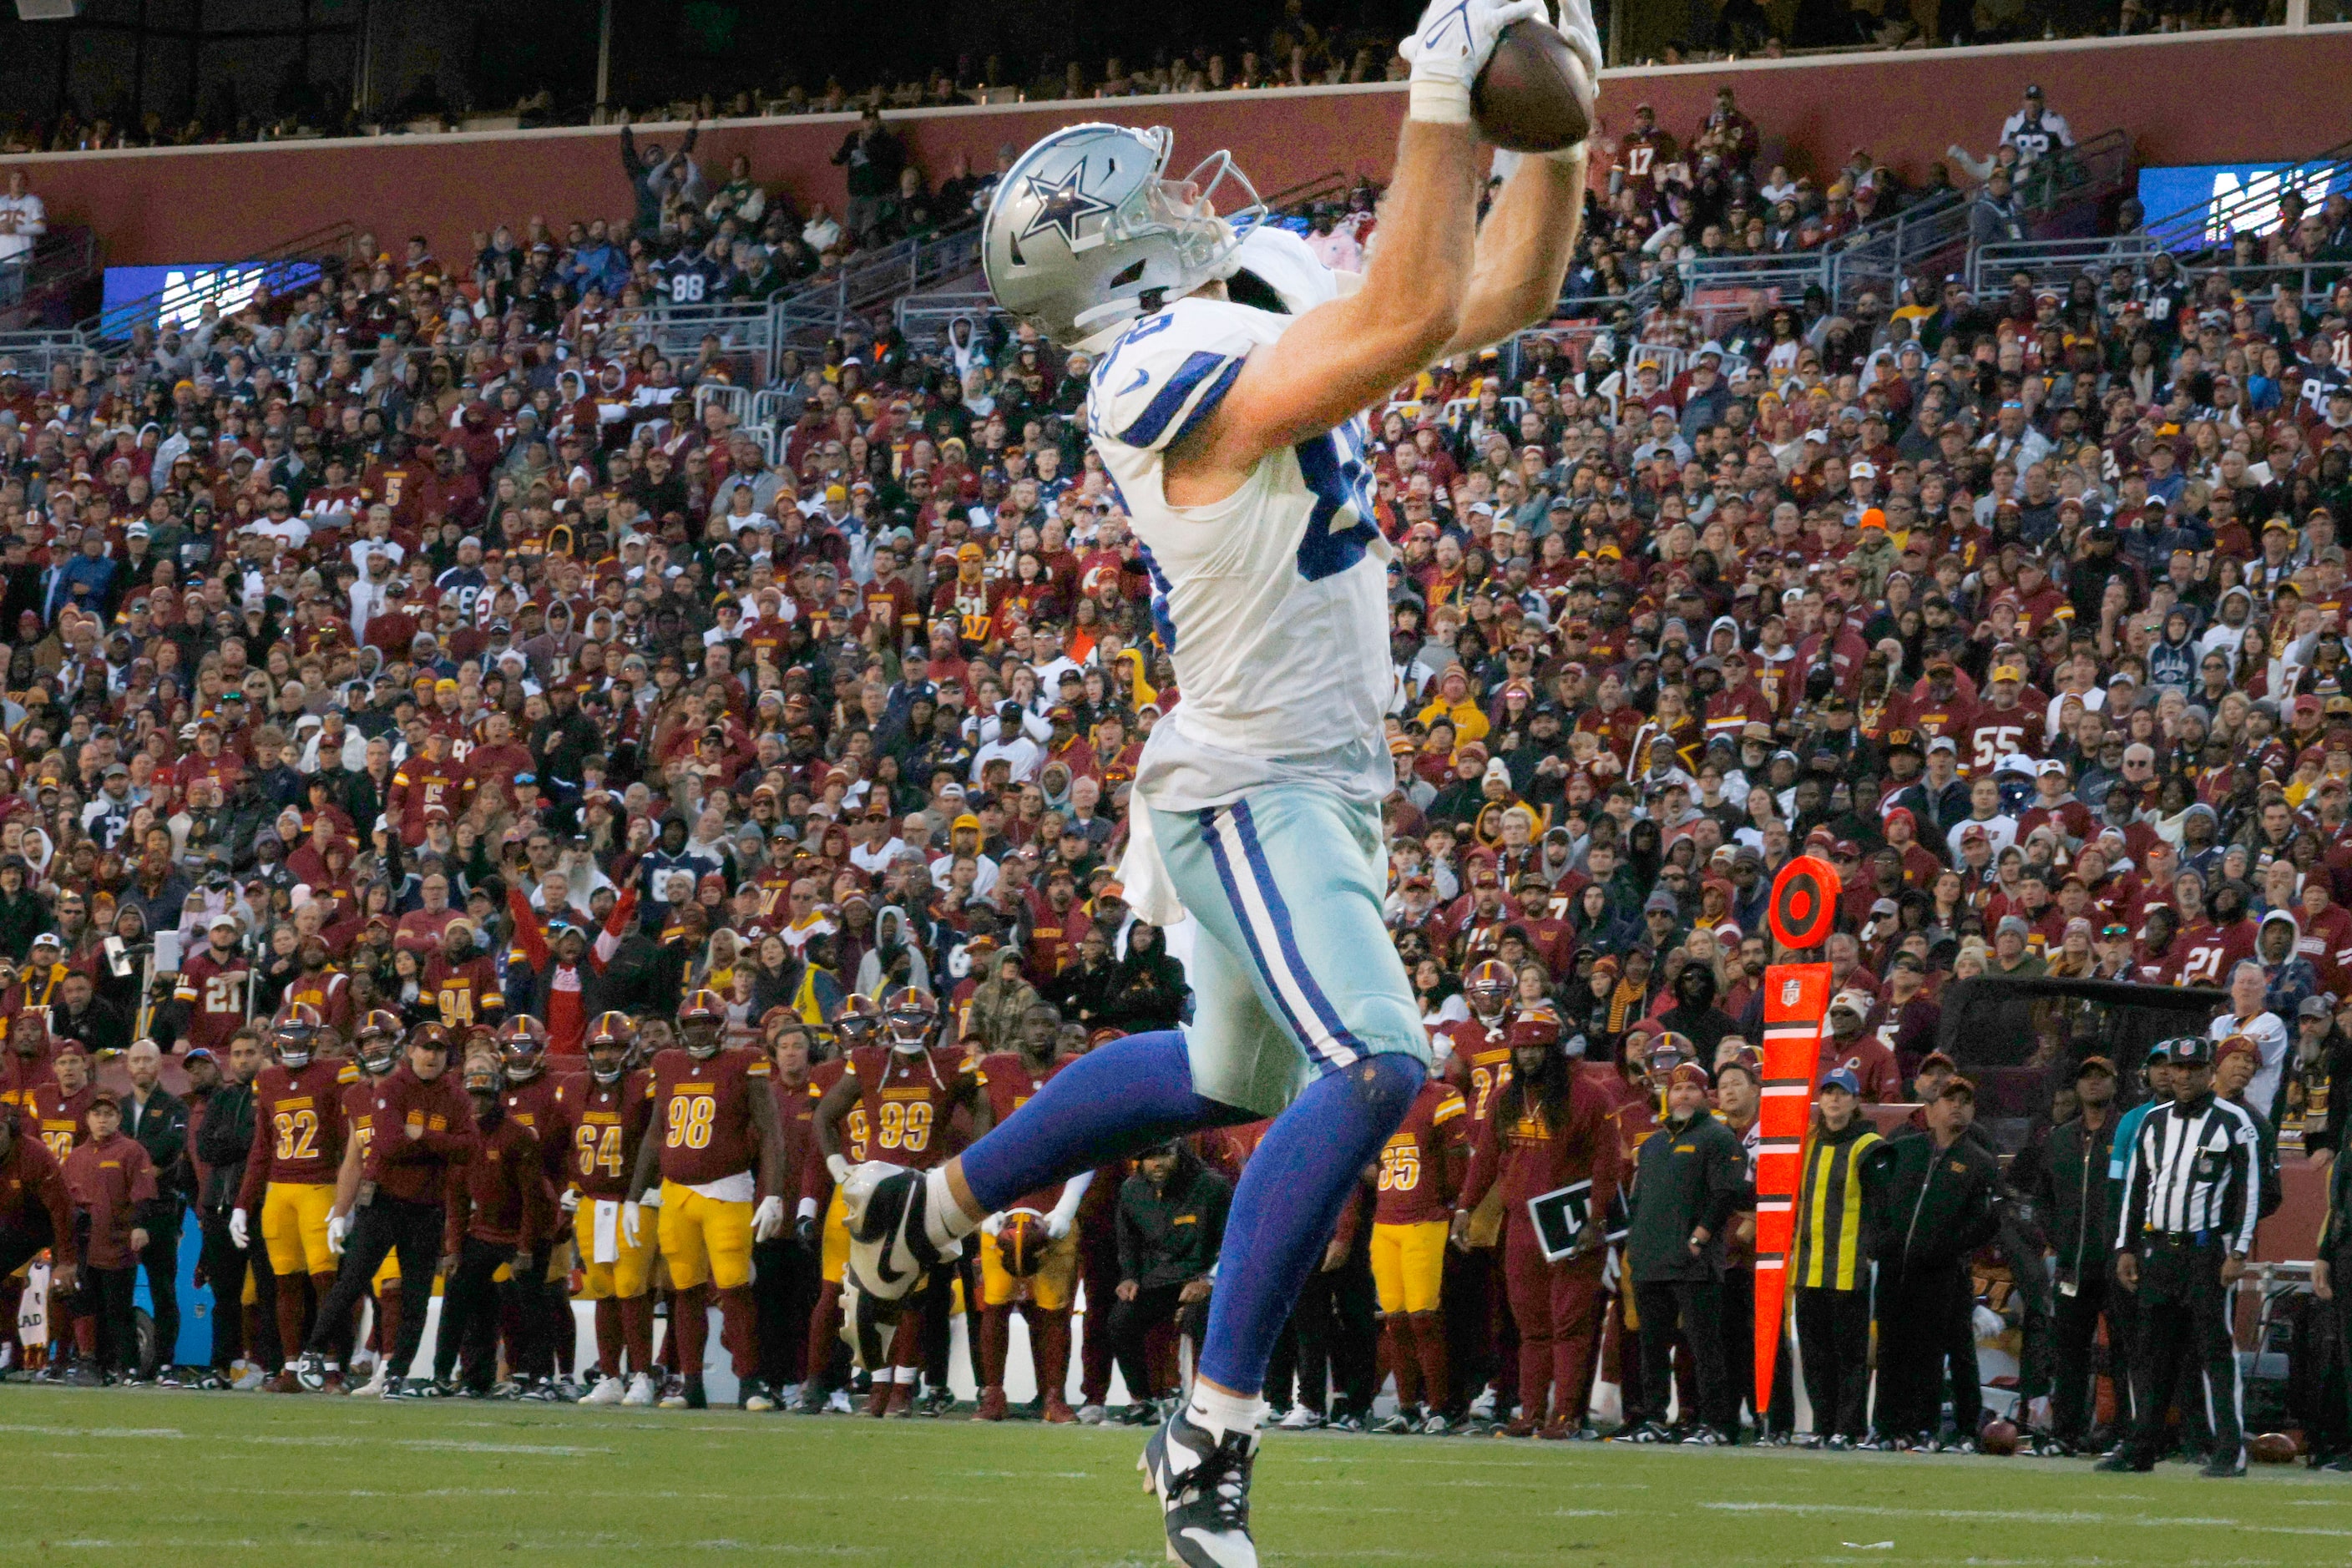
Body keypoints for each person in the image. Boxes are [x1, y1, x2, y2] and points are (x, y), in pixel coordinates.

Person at [837, 0, 1601, 1552]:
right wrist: (1443, 86)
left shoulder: (1239, 294)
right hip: (1249, 781)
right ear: (1107, 253)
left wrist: (1566, 125)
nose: (1194, 202)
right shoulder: (1145, 369)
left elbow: (1497, 288)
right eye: (1151, 200)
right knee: (1378, 1064)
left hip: (1315, 776)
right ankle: (1211, 1430)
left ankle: (930, 1206)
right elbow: (1397, 323)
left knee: (1224, 1075)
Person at [813, 984, 989, 1415]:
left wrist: (974, 1162)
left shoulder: (951, 1063)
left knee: (915, 1293)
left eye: (917, 1019)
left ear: (933, 1024)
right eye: (902, 1019)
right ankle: (877, 1384)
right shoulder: (869, 1061)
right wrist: (837, 1164)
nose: (909, 1027)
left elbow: (985, 1108)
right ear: (887, 1023)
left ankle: (903, 1388)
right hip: (876, 1187)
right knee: (871, 1291)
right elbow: (824, 1116)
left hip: (925, 1187)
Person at [2100, 1034, 2262, 1477]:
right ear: (2168, 1071)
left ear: (2210, 1071)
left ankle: (2230, 1450)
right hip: (2159, 1251)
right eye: (2179, 1069)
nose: (2185, 1077)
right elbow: (2136, 1189)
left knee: (2215, 1352)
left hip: (2207, 1250)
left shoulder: (2234, 1121)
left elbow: (2251, 1191)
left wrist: (2240, 1248)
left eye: (2194, 1069)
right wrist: (2125, 1246)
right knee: (2152, 1352)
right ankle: (2142, 1447)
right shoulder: (2152, 1122)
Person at [627, 987, 790, 1412]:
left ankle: (750, 1382)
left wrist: (772, 1193)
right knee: (684, 1291)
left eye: (707, 1024)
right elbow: (655, 1135)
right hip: (675, 1193)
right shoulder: (666, 1062)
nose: (700, 1032)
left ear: (721, 1027)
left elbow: (771, 1133)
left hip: (727, 1189)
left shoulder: (744, 1061)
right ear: (682, 1029)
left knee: (735, 1287)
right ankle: (690, 1383)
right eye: (692, 1024)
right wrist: (633, 1196)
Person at [298, 1022, 477, 1397]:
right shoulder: (391, 1088)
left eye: (439, 1050)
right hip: (384, 1200)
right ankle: (312, 1351)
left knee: (415, 1297)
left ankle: (396, 1372)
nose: (431, 1056)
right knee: (350, 1283)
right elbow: (392, 1145)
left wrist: (422, 1136)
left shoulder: (456, 1096)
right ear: (410, 1051)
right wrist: (440, 1144)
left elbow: (469, 1149)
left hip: (428, 1207)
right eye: (425, 1048)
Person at [973, 1002, 1090, 1423]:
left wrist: (1066, 1207)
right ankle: (993, 1395)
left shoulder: (1074, 1071)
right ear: (1020, 1029)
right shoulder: (998, 1070)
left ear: (1060, 1032)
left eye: (1049, 1024)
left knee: (1054, 1309)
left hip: (1053, 1205)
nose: (1041, 1030)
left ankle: (1054, 1397)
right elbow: (980, 1144)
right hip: (1005, 1206)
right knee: (995, 1304)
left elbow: (1086, 1145)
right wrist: (985, 1204)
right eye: (1034, 1023)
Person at [1870, 1075, 2000, 1450]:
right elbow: (1877, 1196)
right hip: (1896, 1267)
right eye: (1948, 1099)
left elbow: (1989, 1219)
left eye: (1964, 1100)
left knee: (1932, 1351)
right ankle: (1886, 1426)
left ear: (1973, 1110)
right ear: (1930, 1109)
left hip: (1943, 1272)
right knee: (1890, 1349)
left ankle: (1925, 1428)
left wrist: (1950, 1246)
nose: (1956, 1106)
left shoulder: (1979, 1161)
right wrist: (1881, 1241)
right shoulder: (1905, 1149)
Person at [231, 1004, 355, 1392]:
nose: (294, 1044)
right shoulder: (267, 1081)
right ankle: (292, 1368)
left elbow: (344, 1141)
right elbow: (261, 1149)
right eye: (287, 1037)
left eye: (301, 1037)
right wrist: (241, 1203)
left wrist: (344, 1201)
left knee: (325, 1280)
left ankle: (331, 1365)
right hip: (279, 1190)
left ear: (316, 1039)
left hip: (320, 1185)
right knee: (284, 1282)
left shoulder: (335, 1073)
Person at [1622, 1057, 1746, 1444]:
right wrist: (1635, 1246)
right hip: (1651, 1259)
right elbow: (1638, 1199)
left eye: (1692, 1087)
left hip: (1693, 1262)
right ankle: (1655, 1417)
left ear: (1705, 1095)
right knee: (1652, 1346)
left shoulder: (1718, 1136)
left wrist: (1700, 1238)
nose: (1683, 1094)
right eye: (1676, 1088)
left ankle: (1716, 1423)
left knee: (1704, 1345)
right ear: (1666, 1094)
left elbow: (1725, 1193)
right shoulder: (1656, 1143)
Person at [431, 1055, 554, 1396]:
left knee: (531, 1300)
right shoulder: (461, 1137)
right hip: (484, 1227)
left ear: (498, 1097)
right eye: (472, 1095)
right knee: (459, 1291)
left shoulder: (517, 1136)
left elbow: (533, 1198)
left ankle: (540, 1377)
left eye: (484, 1096)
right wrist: (454, 1248)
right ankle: (455, 1374)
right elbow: (454, 1197)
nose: (477, 1102)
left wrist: (526, 1248)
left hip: (527, 1229)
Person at [1788, 1068, 1890, 1448]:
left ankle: (1849, 1428)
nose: (1833, 1100)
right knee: (1815, 1356)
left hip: (1850, 1267)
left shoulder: (1869, 1146)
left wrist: (1870, 1253)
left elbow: (1882, 1208)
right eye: (1828, 1093)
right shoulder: (1808, 1144)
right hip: (1809, 1266)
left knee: (1850, 1355)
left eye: (1841, 1093)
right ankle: (1823, 1425)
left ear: (1854, 1100)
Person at [565, 1010, 660, 1405]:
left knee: (632, 1288)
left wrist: (649, 1190)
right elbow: (561, 1143)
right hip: (592, 1203)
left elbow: (658, 1137)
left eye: (615, 1048)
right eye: (600, 1049)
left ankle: (642, 1375)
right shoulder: (573, 1088)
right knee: (603, 1289)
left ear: (631, 1049)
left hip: (632, 1202)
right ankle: (609, 1374)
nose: (606, 1057)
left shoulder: (644, 1084)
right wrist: (570, 1184)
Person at [2033, 1055, 2126, 1455]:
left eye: (2101, 1077)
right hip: (2072, 1263)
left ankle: (2124, 1433)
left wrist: (2125, 1245)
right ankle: (2065, 1433)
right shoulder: (2059, 1139)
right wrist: (2061, 1239)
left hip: (2116, 1264)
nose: (2093, 1084)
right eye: (2087, 1077)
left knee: (2124, 1349)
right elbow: (2043, 1199)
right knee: (2069, 1352)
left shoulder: (2128, 1133)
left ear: (2115, 1083)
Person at [1369, 1054, 1468, 1434]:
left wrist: (1443, 1202)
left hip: (1423, 1219)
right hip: (1385, 1221)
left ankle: (1440, 1406)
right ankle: (1408, 1406)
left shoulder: (1442, 1096)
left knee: (1423, 1317)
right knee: (1395, 1321)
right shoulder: (1383, 1102)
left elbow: (1457, 1160)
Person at [1110, 1137, 1232, 1424]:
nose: (1156, 1163)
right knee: (1120, 1321)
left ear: (1180, 1152)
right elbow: (1127, 1241)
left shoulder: (1213, 1187)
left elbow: (1235, 1242)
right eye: (1148, 1156)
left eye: (1164, 1155)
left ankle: (1208, 1403)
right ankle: (1142, 1400)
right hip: (1161, 1278)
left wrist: (1209, 1280)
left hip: (1208, 1276)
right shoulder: (1132, 1190)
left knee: (1199, 1318)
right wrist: (1129, 1277)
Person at [62, 1089, 161, 1383]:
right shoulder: (76, 1157)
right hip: (84, 1247)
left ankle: (130, 1366)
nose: (102, 1120)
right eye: (96, 1114)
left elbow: (143, 1192)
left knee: (118, 1309)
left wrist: (140, 1226)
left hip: (118, 1244)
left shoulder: (131, 1151)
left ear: (118, 1118)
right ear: (87, 1119)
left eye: (108, 1114)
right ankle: (99, 1366)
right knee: (91, 1310)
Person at [117, 1038, 190, 1383]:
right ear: (127, 1066)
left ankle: (165, 1363)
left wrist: (128, 1164)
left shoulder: (175, 1107)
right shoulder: (116, 1108)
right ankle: (126, 1363)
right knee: (118, 1288)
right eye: (136, 1060)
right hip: (121, 1211)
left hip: (161, 1209)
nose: (142, 1066)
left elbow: (168, 1150)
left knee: (163, 1289)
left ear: (159, 1065)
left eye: (148, 1060)